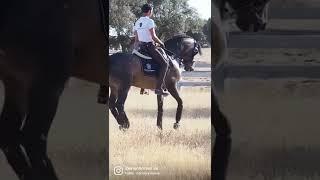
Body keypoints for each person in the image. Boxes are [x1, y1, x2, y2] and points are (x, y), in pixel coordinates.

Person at [133, 3, 169, 96]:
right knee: (165, 64)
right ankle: (158, 88)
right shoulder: (150, 21)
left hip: (140, 47)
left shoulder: (137, 22)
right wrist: (161, 43)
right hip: (149, 47)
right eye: (151, 11)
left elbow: (136, 39)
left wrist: (136, 48)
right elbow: (153, 36)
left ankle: (143, 87)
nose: (151, 13)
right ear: (149, 11)